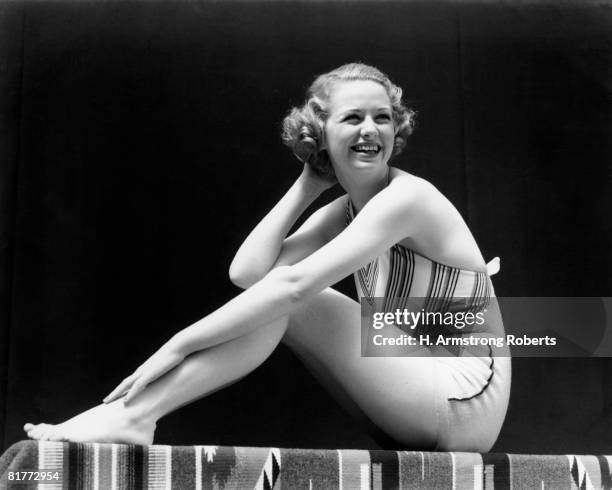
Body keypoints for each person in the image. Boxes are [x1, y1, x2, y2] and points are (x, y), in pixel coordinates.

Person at [24, 63, 510, 451]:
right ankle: (136, 416)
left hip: (466, 401)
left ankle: (135, 416)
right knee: (277, 293)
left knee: (292, 296)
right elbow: (249, 273)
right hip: (417, 390)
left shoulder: (410, 199)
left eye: (382, 117)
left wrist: (177, 345)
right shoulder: (346, 210)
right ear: (319, 134)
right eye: (352, 118)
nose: (371, 129)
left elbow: (291, 288)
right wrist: (308, 184)